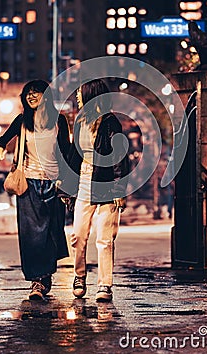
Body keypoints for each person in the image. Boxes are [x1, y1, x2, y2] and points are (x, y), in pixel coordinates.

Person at [0, 79, 70, 300]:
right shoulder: (23, 121)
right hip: (29, 184)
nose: (32, 96)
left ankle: (45, 277)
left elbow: (66, 151)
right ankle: (37, 282)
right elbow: (3, 139)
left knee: (52, 233)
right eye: (28, 93)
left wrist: (68, 182)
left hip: (54, 185)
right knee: (31, 236)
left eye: (36, 93)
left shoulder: (59, 122)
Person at [64, 79, 129, 302]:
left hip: (106, 186)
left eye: (81, 94)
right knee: (78, 236)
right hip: (83, 183)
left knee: (105, 239)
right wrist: (67, 189)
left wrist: (120, 188)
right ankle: (79, 276)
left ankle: (104, 285)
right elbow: (74, 155)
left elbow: (120, 156)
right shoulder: (80, 121)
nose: (78, 98)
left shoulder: (111, 122)